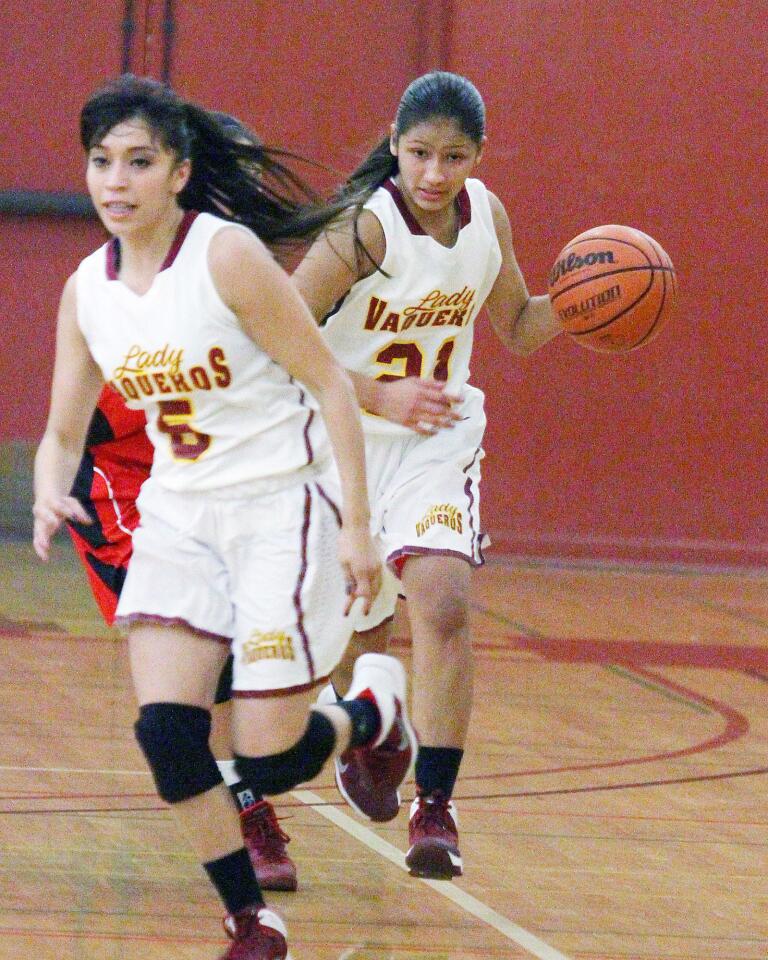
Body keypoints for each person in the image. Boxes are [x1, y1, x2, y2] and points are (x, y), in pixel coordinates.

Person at [33, 74, 416, 960]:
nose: (115, 181)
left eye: (138, 162)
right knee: (169, 736)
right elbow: (60, 432)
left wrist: (359, 529)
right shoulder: (86, 290)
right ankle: (251, 920)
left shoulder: (225, 255)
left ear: (178, 172)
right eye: (100, 162)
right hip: (179, 518)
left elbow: (326, 381)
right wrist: (50, 486)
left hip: (280, 507)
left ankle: (371, 711)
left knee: (270, 758)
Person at [292, 70, 562, 879]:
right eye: (419, 154)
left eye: (453, 156)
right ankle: (377, 724)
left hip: (435, 442)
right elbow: (279, 341)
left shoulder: (489, 218)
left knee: (443, 597)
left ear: (478, 156)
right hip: (341, 441)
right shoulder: (362, 231)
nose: (435, 173)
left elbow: (515, 326)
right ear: (394, 144)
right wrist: (378, 391)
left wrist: (580, 308)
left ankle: (436, 807)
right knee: (359, 634)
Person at [67, 381, 299, 891]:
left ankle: (362, 721)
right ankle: (247, 807)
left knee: (259, 649)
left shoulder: (239, 309)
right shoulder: (117, 326)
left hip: (208, 484)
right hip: (121, 490)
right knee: (200, 648)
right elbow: (71, 431)